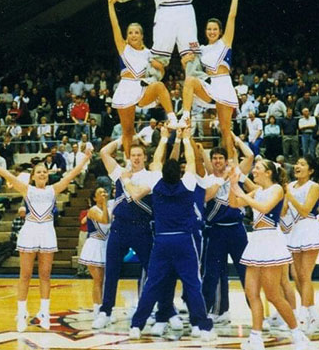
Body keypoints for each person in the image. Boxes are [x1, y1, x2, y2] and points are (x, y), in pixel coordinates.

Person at [0, 146, 91, 332]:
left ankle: (44, 313)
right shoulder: (26, 189)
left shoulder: (54, 189)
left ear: (48, 175)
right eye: (38, 172)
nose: (42, 174)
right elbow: (7, 175)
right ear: (33, 176)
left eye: (44, 172)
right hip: (30, 231)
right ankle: (22, 312)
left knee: (45, 275)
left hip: (47, 232)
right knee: (25, 275)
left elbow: (72, 174)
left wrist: (84, 159)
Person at [125, 127, 216, 341]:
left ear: (163, 173)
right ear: (180, 174)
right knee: (193, 284)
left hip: (163, 240)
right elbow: (192, 162)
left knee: (152, 284)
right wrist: (185, 139)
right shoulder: (188, 183)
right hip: (184, 239)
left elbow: (156, 160)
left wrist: (165, 137)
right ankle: (203, 328)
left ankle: (136, 326)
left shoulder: (156, 183)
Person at [94, 135, 177, 329]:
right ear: (129, 156)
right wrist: (123, 138)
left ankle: (166, 310)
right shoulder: (120, 172)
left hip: (141, 228)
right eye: (133, 155)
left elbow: (137, 193)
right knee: (112, 270)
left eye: (140, 155)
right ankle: (106, 311)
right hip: (119, 227)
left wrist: (126, 180)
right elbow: (104, 152)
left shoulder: (152, 175)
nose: (136, 158)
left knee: (154, 271)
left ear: (145, 157)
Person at [231, 160, 309, 350]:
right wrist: (233, 184)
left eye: (257, 168)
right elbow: (234, 203)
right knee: (251, 292)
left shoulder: (277, 189)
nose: (253, 170)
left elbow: (264, 209)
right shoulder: (257, 191)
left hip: (270, 241)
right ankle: (256, 338)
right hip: (256, 240)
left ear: (268, 172)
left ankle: (298, 336)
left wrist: (243, 194)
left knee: (273, 294)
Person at [107, 0, 178, 160]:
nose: (133, 35)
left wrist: (159, 66)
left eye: (136, 32)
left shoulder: (148, 53)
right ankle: (129, 162)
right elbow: (115, 26)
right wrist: (111, 6)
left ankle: (172, 118)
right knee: (128, 130)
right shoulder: (123, 48)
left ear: (142, 35)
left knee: (159, 86)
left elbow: (161, 72)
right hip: (126, 88)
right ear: (127, 35)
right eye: (130, 32)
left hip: (141, 88)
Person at [178, 0, 242, 158]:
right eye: (209, 29)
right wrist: (184, 61)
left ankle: (231, 162)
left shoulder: (225, 42)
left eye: (215, 29)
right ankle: (185, 116)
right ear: (205, 32)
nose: (212, 32)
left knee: (225, 129)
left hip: (224, 84)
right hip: (210, 85)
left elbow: (232, 17)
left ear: (220, 31)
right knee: (190, 81)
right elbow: (191, 70)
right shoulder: (201, 49)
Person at [201, 140, 253, 326]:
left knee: (245, 271)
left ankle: (256, 311)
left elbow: (250, 157)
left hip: (237, 229)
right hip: (216, 231)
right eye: (214, 158)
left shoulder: (236, 175)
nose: (217, 161)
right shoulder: (207, 179)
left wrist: (235, 139)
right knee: (213, 273)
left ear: (225, 160)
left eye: (220, 158)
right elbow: (205, 198)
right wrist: (221, 182)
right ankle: (217, 310)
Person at [284, 155, 319, 334]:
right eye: (296, 163)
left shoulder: (313, 186)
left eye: (302, 164)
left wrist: (289, 196)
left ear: (310, 170)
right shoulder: (289, 186)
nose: (297, 166)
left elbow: (305, 211)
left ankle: (303, 315)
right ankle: (313, 313)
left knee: (305, 274)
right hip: (294, 231)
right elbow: (286, 211)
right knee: (295, 274)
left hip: (309, 229)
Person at [78, 187, 113, 317]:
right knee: (97, 280)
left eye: (105, 192)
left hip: (106, 245)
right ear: (94, 198)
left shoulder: (109, 209)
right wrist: (105, 205)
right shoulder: (92, 210)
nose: (103, 194)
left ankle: (106, 307)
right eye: (100, 193)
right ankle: (97, 308)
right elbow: (105, 220)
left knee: (105, 280)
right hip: (94, 245)